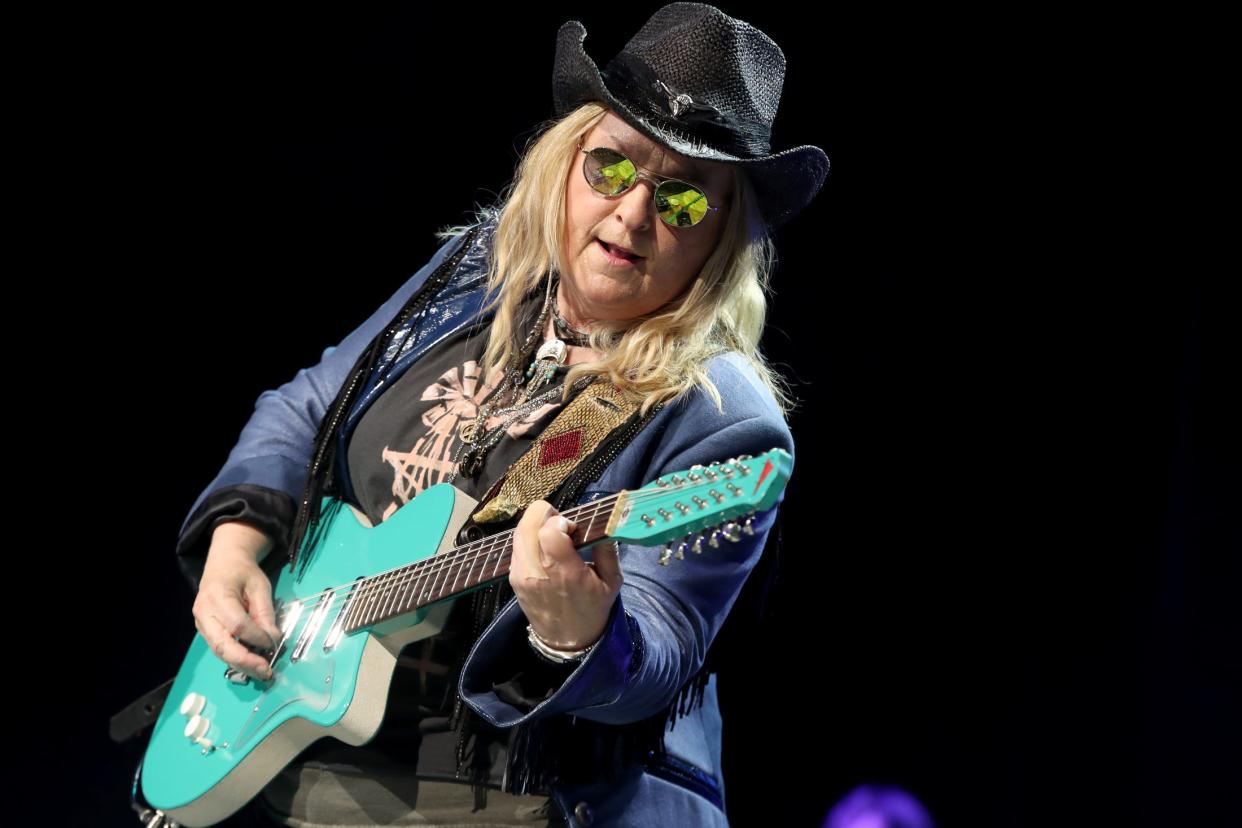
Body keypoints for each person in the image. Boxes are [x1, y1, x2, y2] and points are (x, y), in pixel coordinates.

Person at [174, 4, 828, 826]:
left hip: (516, 797)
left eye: (684, 203)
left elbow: (660, 652)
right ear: (566, 161)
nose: (632, 216)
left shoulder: (721, 414)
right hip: (317, 756)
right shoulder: (478, 270)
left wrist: (576, 635)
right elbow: (307, 402)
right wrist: (236, 548)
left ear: (722, 239)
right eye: (612, 169)